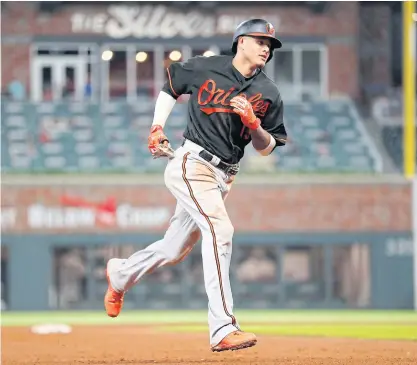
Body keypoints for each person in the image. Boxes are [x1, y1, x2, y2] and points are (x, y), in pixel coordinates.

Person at [104, 18, 287, 352]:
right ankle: (222, 328)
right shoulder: (206, 68)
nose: (266, 48)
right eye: (261, 41)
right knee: (220, 231)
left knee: (173, 249)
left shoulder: (269, 92)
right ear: (241, 41)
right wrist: (156, 127)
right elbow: (171, 87)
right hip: (193, 162)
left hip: (225, 175)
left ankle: (120, 275)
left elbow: (267, 145)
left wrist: (254, 123)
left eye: (270, 45)